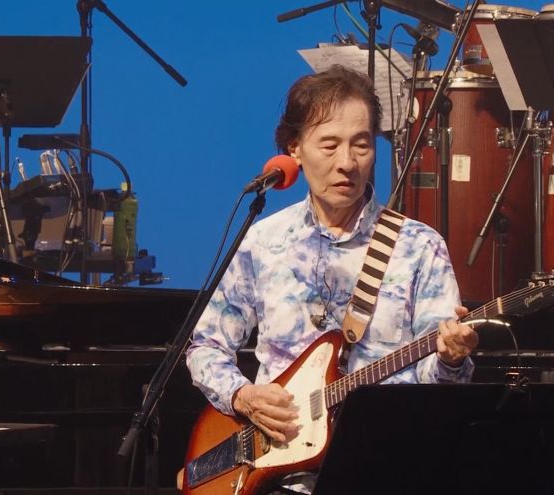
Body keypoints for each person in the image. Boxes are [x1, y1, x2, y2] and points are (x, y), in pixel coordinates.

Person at [186, 65, 478, 492]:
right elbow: (205, 347)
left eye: (361, 145)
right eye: (329, 145)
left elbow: (436, 392)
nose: (347, 163)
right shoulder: (264, 242)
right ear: (295, 148)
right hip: (276, 476)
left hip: (385, 469)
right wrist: (242, 396)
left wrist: (451, 360)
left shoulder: (418, 247)